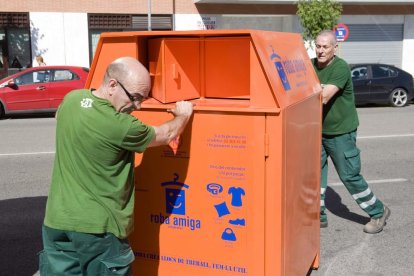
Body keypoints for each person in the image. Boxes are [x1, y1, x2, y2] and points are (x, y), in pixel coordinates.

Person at [39, 56, 193, 275]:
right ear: (112, 85)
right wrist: (183, 116)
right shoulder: (122, 126)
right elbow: (166, 134)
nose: (138, 105)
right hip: (98, 230)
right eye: (135, 97)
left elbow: (59, 114)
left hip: (57, 223)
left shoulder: (73, 99)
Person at [312, 30, 390, 234]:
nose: (320, 51)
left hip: (341, 132)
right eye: (318, 46)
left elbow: (324, 97)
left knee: (349, 175)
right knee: (313, 175)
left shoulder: (340, 67)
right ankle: (317, 215)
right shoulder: (309, 65)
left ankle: (378, 211)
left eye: (325, 46)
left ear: (335, 48)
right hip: (317, 130)